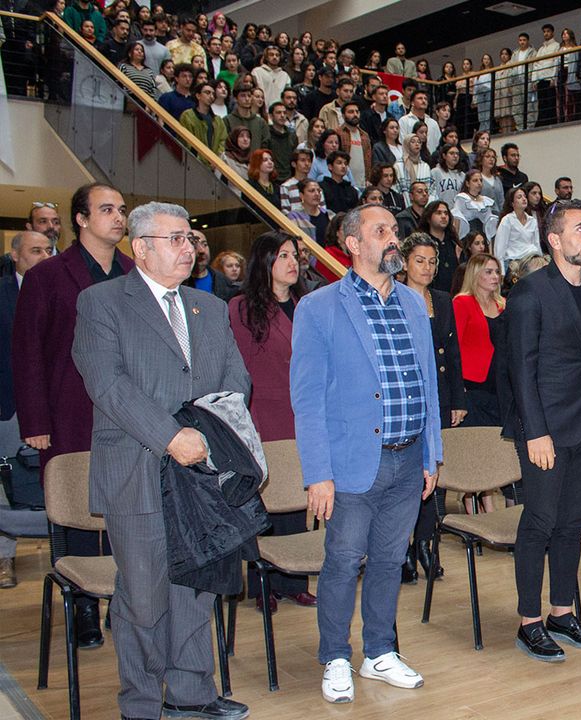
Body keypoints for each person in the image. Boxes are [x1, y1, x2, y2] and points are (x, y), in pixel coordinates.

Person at [72, 201, 251, 720]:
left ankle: (191, 694)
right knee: (144, 595)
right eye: (175, 239)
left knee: (196, 587)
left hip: (202, 472)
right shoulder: (102, 302)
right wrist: (171, 436)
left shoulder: (208, 307)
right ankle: (143, 704)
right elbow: (107, 383)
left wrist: (210, 434)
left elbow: (236, 378)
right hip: (138, 469)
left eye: (189, 238)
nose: (188, 248)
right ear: (141, 248)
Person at [291, 204, 442, 704]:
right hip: (353, 461)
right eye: (381, 231)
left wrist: (431, 453)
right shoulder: (318, 307)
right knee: (342, 561)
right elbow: (307, 400)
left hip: (408, 457)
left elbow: (427, 385)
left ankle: (379, 651)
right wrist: (317, 473)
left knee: (389, 560)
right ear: (353, 243)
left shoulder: (413, 303)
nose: (393, 238)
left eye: (395, 230)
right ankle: (336, 656)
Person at [502, 198, 581, 661]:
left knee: (574, 521)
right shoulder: (530, 292)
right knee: (539, 521)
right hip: (545, 427)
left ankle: (562, 612)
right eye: (580, 229)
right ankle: (529, 622)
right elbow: (521, 369)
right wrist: (535, 432)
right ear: (554, 240)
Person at [14, 184, 133, 647]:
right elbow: (28, 352)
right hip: (69, 412)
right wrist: (36, 423)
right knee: (79, 509)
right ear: (81, 219)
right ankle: (83, 605)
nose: (118, 217)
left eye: (121, 210)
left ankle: (123, 600)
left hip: (128, 414)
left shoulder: (133, 272)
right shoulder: (48, 275)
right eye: (107, 209)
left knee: (126, 509)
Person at [228, 232, 317, 611]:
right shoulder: (242, 307)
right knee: (264, 500)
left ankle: (293, 581)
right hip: (263, 413)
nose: (292, 262)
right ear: (264, 261)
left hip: (303, 414)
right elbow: (239, 369)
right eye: (283, 256)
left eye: (295, 255)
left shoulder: (306, 305)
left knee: (296, 498)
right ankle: (262, 583)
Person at [399, 234, 466, 582]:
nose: (426, 268)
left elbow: (452, 354)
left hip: (439, 395)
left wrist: (458, 399)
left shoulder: (442, 300)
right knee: (407, 476)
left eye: (432, 261)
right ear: (404, 263)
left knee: (433, 472)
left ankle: (427, 542)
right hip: (407, 397)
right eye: (419, 260)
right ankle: (403, 547)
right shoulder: (394, 298)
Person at [0, 231, 54, 589]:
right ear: (15, 256)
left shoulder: (59, 291)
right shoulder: (3, 293)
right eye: (36, 250)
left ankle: (63, 552)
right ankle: (4, 558)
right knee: (6, 484)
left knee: (50, 479)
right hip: (8, 405)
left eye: (49, 250)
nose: (44, 256)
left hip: (51, 404)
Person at [454, 254, 506, 427]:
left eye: (497, 272)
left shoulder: (503, 304)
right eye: (489, 272)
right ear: (475, 274)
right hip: (472, 384)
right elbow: (454, 347)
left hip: (500, 382)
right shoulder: (462, 302)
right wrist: (457, 387)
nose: (495, 276)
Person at [493, 186, 540, 276]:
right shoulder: (507, 220)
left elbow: (536, 244)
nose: (524, 199)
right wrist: (501, 272)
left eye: (525, 196)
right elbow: (499, 248)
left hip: (532, 260)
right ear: (512, 203)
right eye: (519, 197)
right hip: (514, 262)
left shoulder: (532, 220)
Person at [182, 230, 237, 300]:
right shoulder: (178, 283)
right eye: (194, 245)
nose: (201, 250)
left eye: (204, 244)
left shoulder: (223, 282)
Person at [178, 81, 227, 154]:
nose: (211, 96)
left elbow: (223, 141)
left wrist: (218, 156)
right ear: (198, 96)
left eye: (213, 94)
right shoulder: (188, 116)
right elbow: (186, 142)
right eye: (207, 93)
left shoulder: (218, 120)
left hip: (214, 159)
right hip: (194, 159)